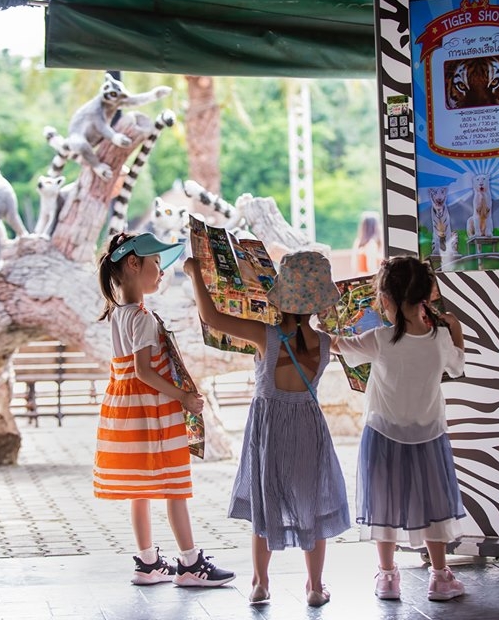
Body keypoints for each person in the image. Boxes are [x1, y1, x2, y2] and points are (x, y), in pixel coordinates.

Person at [183, 250, 351, 608]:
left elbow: (211, 317)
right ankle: (315, 587)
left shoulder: (266, 336)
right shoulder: (324, 344)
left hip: (269, 429)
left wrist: (195, 272)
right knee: (313, 504)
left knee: (265, 503)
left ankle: (260, 584)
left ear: (282, 297)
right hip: (309, 425)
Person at [95, 231, 235, 588]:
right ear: (132, 264)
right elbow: (144, 371)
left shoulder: (117, 314)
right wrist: (184, 397)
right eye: (155, 264)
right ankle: (190, 563)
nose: (160, 272)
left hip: (127, 412)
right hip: (153, 413)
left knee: (140, 490)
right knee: (175, 488)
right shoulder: (141, 316)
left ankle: (148, 562)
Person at [325, 255, 467, 602]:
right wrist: (457, 330)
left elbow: (337, 345)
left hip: (383, 434)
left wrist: (311, 325)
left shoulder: (380, 339)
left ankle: (388, 577)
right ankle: (440, 576)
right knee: (435, 505)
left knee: (383, 504)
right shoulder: (439, 339)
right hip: (429, 435)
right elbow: (459, 366)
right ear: (427, 296)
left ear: (385, 301)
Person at [352, 211, 384, 275]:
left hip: (360, 278)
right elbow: (372, 268)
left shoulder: (358, 242)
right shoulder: (371, 244)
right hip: (369, 280)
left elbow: (354, 266)